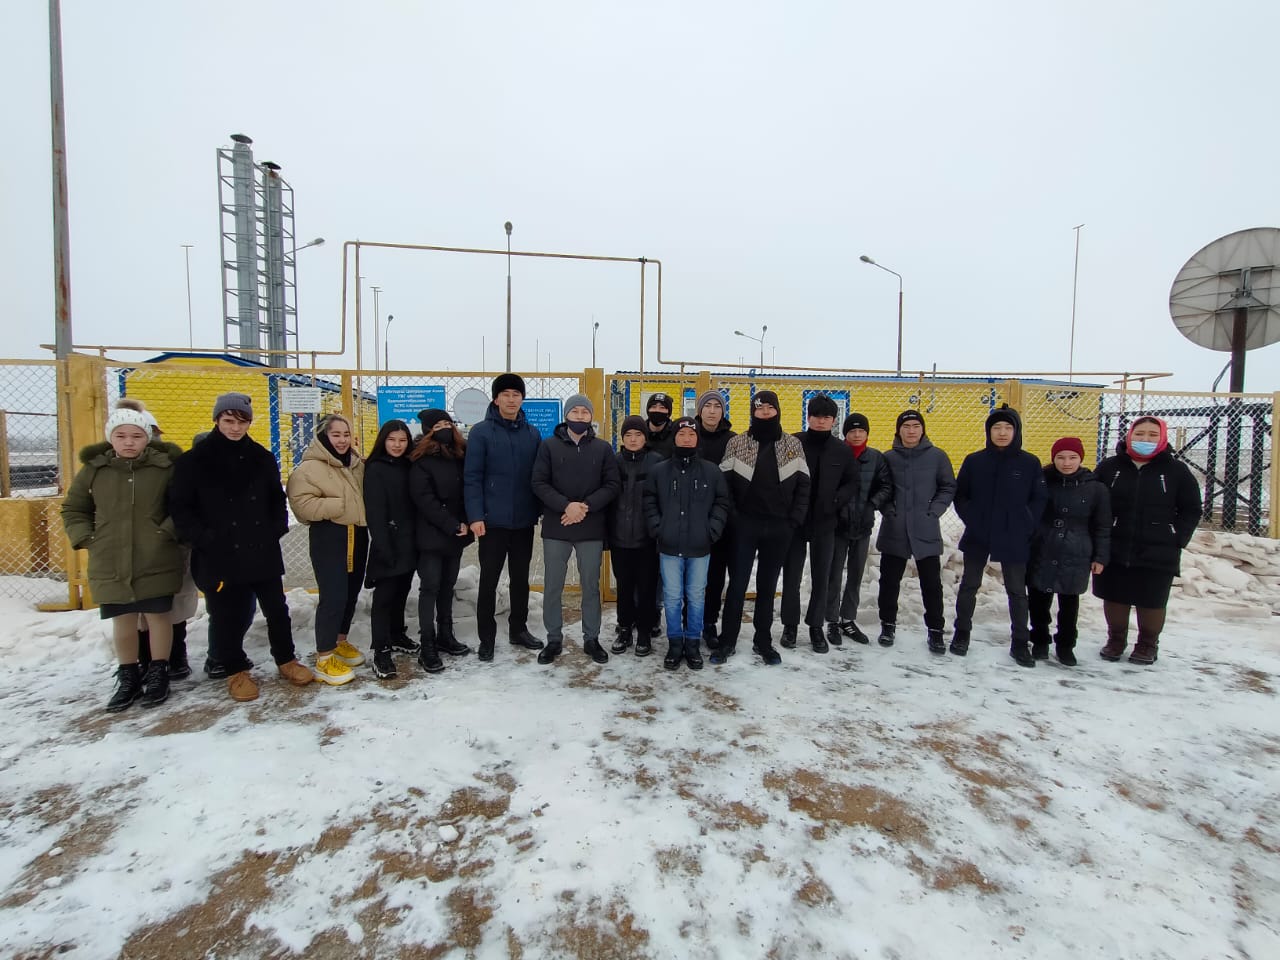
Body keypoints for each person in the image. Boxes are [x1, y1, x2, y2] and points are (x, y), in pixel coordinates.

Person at [169, 393, 313, 701]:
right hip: (219, 554)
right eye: (229, 421)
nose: (235, 428)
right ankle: (235, 670)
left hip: (261, 549)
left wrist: (275, 529)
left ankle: (286, 659)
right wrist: (205, 539)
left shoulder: (261, 457)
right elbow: (181, 509)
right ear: (217, 420)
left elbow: (276, 499)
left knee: (277, 609)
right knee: (226, 615)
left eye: (242, 421)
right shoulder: (194, 461)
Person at [61, 401, 185, 712]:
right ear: (110, 437)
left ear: (147, 437)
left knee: (158, 616)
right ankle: (128, 675)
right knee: (123, 618)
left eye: (136, 436)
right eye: (121, 436)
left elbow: (183, 505)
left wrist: (165, 533)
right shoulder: (95, 470)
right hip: (110, 556)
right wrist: (87, 537)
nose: (129, 442)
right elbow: (74, 508)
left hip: (155, 554)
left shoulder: (164, 468)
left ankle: (158, 672)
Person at [1093, 416, 1201, 665]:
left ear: (1162, 438)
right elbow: (1094, 500)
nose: (1145, 439)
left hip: (1159, 548)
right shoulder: (1110, 467)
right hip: (1116, 543)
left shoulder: (1176, 471)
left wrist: (1176, 537)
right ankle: (1116, 640)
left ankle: (1147, 644)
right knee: (1115, 595)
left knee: (1152, 599)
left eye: (1153, 435)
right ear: (1130, 436)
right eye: (1140, 434)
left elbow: (1191, 509)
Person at [712, 391, 810, 666]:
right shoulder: (737, 443)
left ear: (777, 410)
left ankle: (763, 641)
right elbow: (724, 484)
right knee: (737, 585)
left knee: (767, 587)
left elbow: (804, 486)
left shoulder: (792, 444)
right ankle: (727, 640)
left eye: (770, 408)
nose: (765, 412)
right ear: (752, 412)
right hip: (745, 525)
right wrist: (734, 517)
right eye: (760, 408)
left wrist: (794, 520)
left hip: (779, 526)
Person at [952, 405, 1047, 666]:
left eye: (1008, 428)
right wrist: (973, 517)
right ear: (989, 431)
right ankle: (962, 633)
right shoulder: (975, 461)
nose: (1002, 433)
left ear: (1016, 431)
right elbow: (961, 495)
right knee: (970, 584)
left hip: (1014, 534)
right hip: (979, 532)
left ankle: (1020, 642)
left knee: (1017, 590)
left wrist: (1025, 522)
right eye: (997, 428)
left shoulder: (1029, 463)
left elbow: (1039, 498)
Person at [530, 394, 620, 665]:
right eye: (575, 411)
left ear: (591, 416)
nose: (580, 416)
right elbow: (539, 482)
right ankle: (553, 639)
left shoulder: (602, 448)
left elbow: (612, 484)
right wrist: (566, 506)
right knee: (553, 585)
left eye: (585, 412)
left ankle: (591, 638)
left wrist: (585, 507)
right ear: (566, 415)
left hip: (590, 527)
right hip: (558, 524)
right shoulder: (549, 446)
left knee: (590, 586)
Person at [463, 373, 545, 661]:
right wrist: (475, 516)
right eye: (505, 394)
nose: (511, 399)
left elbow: (538, 477)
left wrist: (540, 510)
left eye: (516, 394)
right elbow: (472, 477)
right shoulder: (481, 433)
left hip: (523, 521)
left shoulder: (532, 434)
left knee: (520, 579)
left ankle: (518, 629)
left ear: (522, 399)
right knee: (489, 580)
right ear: (496, 399)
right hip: (491, 522)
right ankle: (486, 638)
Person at [286, 413, 368, 686]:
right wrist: (338, 505)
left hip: (357, 533)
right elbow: (302, 505)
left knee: (351, 591)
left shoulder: (356, 464)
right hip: (330, 535)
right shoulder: (309, 468)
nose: (342, 440)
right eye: (336, 435)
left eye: (346, 435)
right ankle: (324, 657)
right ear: (323, 437)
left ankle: (340, 641)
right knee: (333, 595)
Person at [644, 416, 731, 670]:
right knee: (672, 597)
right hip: (669, 546)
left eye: (691, 435)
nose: (686, 439)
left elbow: (722, 502)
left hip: (700, 547)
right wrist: (658, 528)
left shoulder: (711, 471)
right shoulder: (659, 471)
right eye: (681, 434)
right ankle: (675, 643)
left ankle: (692, 643)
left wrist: (711, 530)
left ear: (697, 439)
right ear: (674, 438)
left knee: (695, 596)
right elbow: (649, 500)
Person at [122, 399, 194, 681]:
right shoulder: (109, 467)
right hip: (129, 548)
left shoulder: (172, 465)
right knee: (135, 608)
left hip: (168, 545)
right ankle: (144, 661)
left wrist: (165, 531)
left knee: (172, 603)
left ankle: (174, 657)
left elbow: (183, 504)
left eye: (145, 433)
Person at [780, 395, 857, 654]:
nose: (821, 421)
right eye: (816, 416)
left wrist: (836, 500)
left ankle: (816, 626)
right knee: (791, 575)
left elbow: (851, 482)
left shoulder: (841, 450)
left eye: (826, 417)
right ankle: (790, 625)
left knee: (822, 576)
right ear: (808, 417)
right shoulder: (794, 443)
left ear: (834, 420)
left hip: (825, 521)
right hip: (795, 521)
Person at [876, 410, 956, 650]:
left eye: (915, 426)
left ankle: (936, 631)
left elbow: (948, 486)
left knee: (931, 584)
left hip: (925, 528)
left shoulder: (937, 457)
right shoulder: (888, 458)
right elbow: (880, 488)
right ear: (898, 430)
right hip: (895, 528)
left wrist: (934, 511)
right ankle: (887, 625)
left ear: (922, 429)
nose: (911, 431)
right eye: (906, 426)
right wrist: (889, 510)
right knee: (889, 581)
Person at [1028, 437, 1111, 666]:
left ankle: (1066, 645)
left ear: (1080, 459)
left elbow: (1102, 526)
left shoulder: (1096, 489)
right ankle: (1039, 640)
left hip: (1076, 550)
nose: (1066, 463)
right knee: (1038, 598)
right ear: (1053, 458)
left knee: (1069, 601)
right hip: (1043, 547)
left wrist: (1100, 556)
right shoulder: (1042, 482)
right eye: (1061, 457)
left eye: (1072, 457)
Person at [409, 409, 475, 674]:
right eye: (438, 426)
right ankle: (427, 645)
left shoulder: (460, 455)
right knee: (430, 588)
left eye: (448, 423)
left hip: (456, 535)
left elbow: (469, 491)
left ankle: (445, 636)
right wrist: (451, 524)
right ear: (428, 431)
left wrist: (466, 522)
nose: (445, 429)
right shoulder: (421, 460)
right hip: (432, 535)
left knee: (448, 586)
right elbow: (424, 499)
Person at [826, 413, 894, 646]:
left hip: (863, 525)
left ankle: (848, 619)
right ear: (845, 433)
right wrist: (836, 508)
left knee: (855, 574)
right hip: (838, 525)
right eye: (852, 431)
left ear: (867, 433)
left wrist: (872, 504)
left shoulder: (876, 458)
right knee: (834, 574)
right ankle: (831, 620)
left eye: (861, 431)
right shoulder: (837, 454)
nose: (856, 435)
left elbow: (886, 486)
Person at [362, 419, 421, 680]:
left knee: (402, 591)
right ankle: (381, 649)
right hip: (388, 542)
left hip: (409, 541)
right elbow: (375, 512)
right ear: (383, 441)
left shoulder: (409, 465)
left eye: (402, 440)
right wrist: (383, 546)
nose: (397, 445)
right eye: (392, 440)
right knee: (384, 598)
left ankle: (397, 634)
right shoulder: (375, 468)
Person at [608, 415, 661, 656]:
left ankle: (644, 633)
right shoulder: (614, 462)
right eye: (628, 435)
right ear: (622, 438)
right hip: (619, 538)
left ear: (645, 438)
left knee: (647, 588)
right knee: (624, 587)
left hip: (647, 539)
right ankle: (624, 629)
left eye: (638, 435)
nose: (633, 439)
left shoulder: (656, 463)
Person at [694, 390, 736, 648]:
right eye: (707, 406)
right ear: (699, 410)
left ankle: (709, 622)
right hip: (690, 517)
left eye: (717, 406)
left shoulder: (733, 440)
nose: (712, 411)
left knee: (715, 574)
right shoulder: (688, 435)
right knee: (690, 576)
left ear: (722, 411)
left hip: (721, 518)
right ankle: (690, 622)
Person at [643, 392, 677, 460]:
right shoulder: (640, 431)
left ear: (669, 412)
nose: (657, 410)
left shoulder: (676, 432)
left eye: (662, 407)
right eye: (653, 407)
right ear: (648, 410)